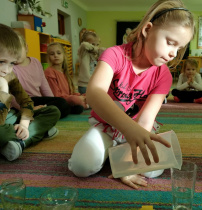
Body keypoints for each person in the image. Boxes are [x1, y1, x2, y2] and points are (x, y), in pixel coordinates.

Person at [68, 0, 195, 189]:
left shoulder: (164, 76)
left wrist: (127, 165)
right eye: (170, 43)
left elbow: (144, 122)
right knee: (81, 166)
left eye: (179, 48)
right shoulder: (115, 55)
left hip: (139, 131)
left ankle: (116, 154)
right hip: (107, 125)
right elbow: (94, 94)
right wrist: (127, 131)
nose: (173, 54)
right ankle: (111, 150)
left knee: (152, 170)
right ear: (147, 29)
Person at [0, 24, 60, 161]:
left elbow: (26, 101)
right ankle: (36, 133)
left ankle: (21, 139)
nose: (6, 70)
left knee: (53, 111)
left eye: (12, 63)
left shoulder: (9, 76)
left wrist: (24, 125)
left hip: (13, 117)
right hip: (2, 124)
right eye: (2, 61)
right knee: (1, 134)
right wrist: (3, 90)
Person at [13, 33, 71, 119]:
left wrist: (52, 100)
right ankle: (36, 113)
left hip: (38, 100)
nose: (15, 54)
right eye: (11, 51)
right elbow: (12, 96)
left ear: (26, 47)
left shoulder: (35, 62)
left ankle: (45, 111)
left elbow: (44, 86)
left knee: (63, 103)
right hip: (24, 102)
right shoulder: (11, 68)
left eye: (18, 49)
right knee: (63, 105)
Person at [44, 42, 88, 114]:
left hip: (68, 99)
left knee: (89, 94)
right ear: (48, 57)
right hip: (59, 100)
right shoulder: (49, 72)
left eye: (59, 53)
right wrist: (77, 98)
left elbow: (71, 92)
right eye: (52, 54)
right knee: (75, 100)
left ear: (64, 55)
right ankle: (86, 105)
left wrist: (80, 96)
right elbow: (56, 96)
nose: (55, 56)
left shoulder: (64, 72)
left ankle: (82, 104)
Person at [77, 30, 105, 94]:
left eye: (97, 44)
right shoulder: (83, 52)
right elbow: (84, 45)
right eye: (92, 44)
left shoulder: (95, 54)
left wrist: (100, 52)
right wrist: (96, 50)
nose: (95, 46)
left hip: (93, 84)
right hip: (84, 85)